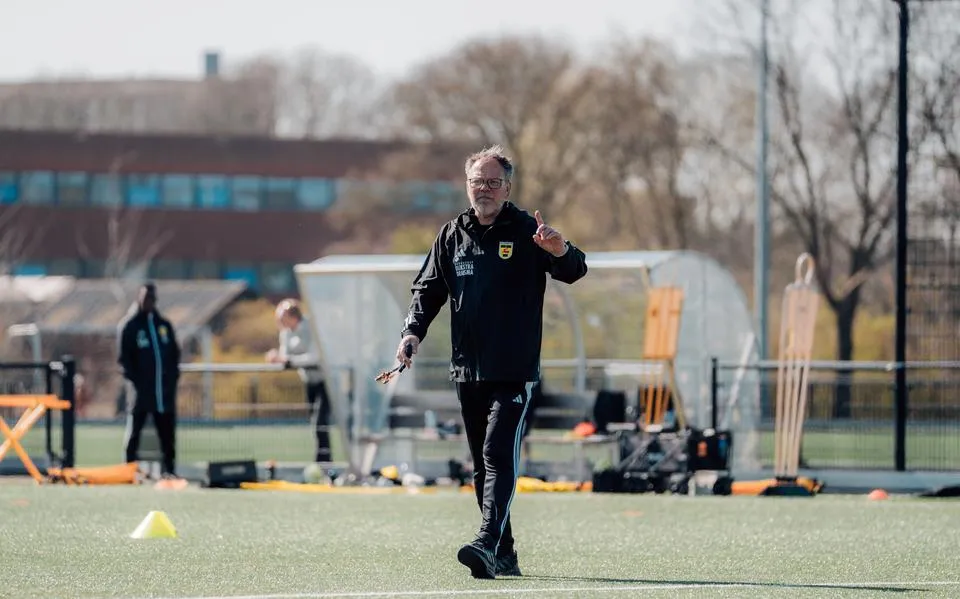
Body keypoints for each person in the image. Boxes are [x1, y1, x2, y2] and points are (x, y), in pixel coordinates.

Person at [394, 145, 588, 579]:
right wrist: (411, 334)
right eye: (477, 181)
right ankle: (505, 553)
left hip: (514, 369)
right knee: (481, 464)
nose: (484, 189)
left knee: (498, 452)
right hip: (468, 369)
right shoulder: (451, 235)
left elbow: (575, 269)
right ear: (467, 185)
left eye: (493, 182)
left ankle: (485, 541)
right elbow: (427, 292)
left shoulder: (526, 230)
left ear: (508, 188)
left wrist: (559, 250)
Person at [117, 282, 181, 478]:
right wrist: (138, 383)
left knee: (167, 434)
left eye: (152, 299)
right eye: (146, 298)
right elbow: (124, 360)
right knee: (135, 432)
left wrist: (171, 379)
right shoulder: (130, 326)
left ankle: (169, 471)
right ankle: (129, 470)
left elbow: (173, 355)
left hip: (164, 392)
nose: (149, 302)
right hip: (141, 392)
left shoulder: (164, 325)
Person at [266, 298, 332, 463]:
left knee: (321, 422)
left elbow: (315, 357)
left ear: (292, 316)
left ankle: (324, 462)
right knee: (314, 422)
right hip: (309, 381)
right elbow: (285, 356)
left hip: (326, 381)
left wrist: (287, 360)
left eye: (282, 317)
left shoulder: (310, 328)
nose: (279, 322)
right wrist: (277, 358)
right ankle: (322, 460)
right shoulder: (285, 333)